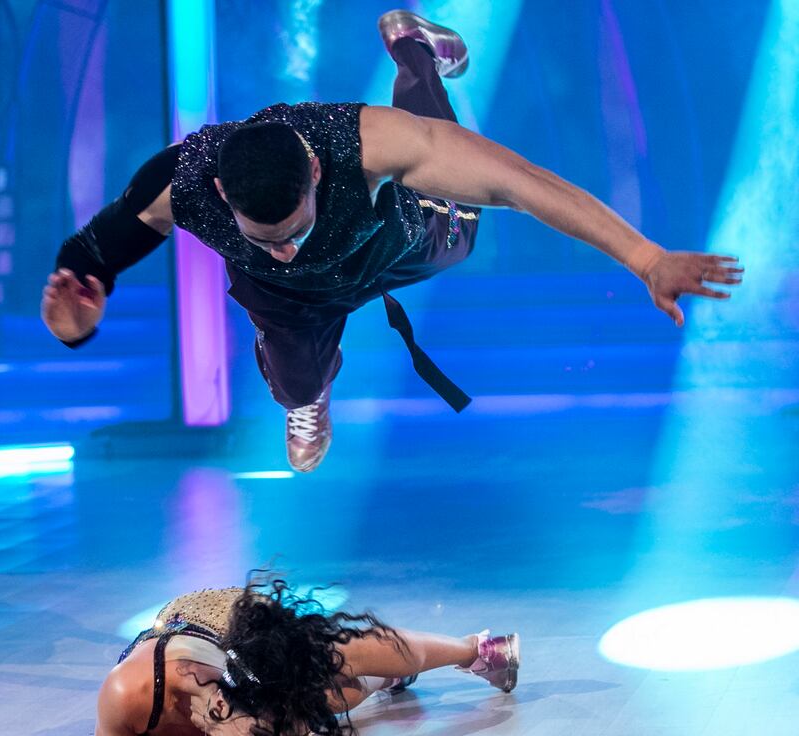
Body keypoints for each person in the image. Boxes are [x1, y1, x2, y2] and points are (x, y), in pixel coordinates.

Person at [41, 10, 743, 472]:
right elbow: (96, 250)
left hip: (398, 239)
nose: (284, 244)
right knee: (293, 370)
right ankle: (307, 390)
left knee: (454, 176)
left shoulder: (362, 143)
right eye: (267, 235)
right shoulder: (186, 181)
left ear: (314, 170)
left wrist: (645, 258)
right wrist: (77, 313)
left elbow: (522, 183)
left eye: (292, 228)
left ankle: (415, 50)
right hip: (291, 304)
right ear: (223, 196)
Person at [92, 576, 519, 736]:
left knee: (347, 657)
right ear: (219, 712)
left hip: (248, 634)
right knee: (334, 701)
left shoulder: (251, 720)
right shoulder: (130, 691)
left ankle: (474, 649)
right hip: (198, 629)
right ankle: (387, 678)